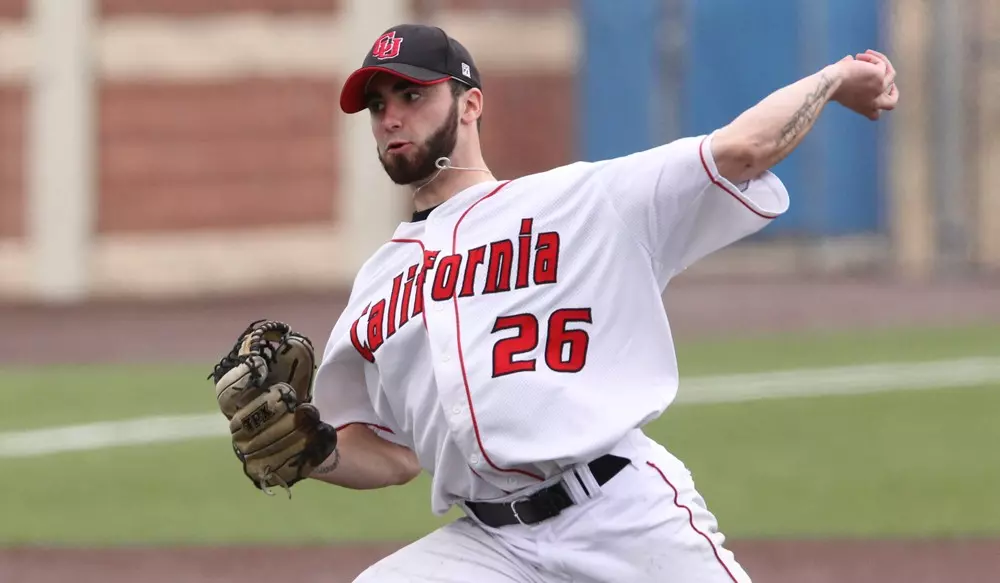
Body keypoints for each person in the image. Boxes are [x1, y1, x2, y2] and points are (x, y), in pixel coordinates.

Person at [310, 23, 898, 583]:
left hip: (619, 514)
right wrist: (312, 452)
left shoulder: (583, 201)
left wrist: (837, 77)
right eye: (378, 104)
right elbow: (393, 458)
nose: (391, 117)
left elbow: (744, 149)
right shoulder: (381, 279)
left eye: (411, 94)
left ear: (470, 104)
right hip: (490, 544)